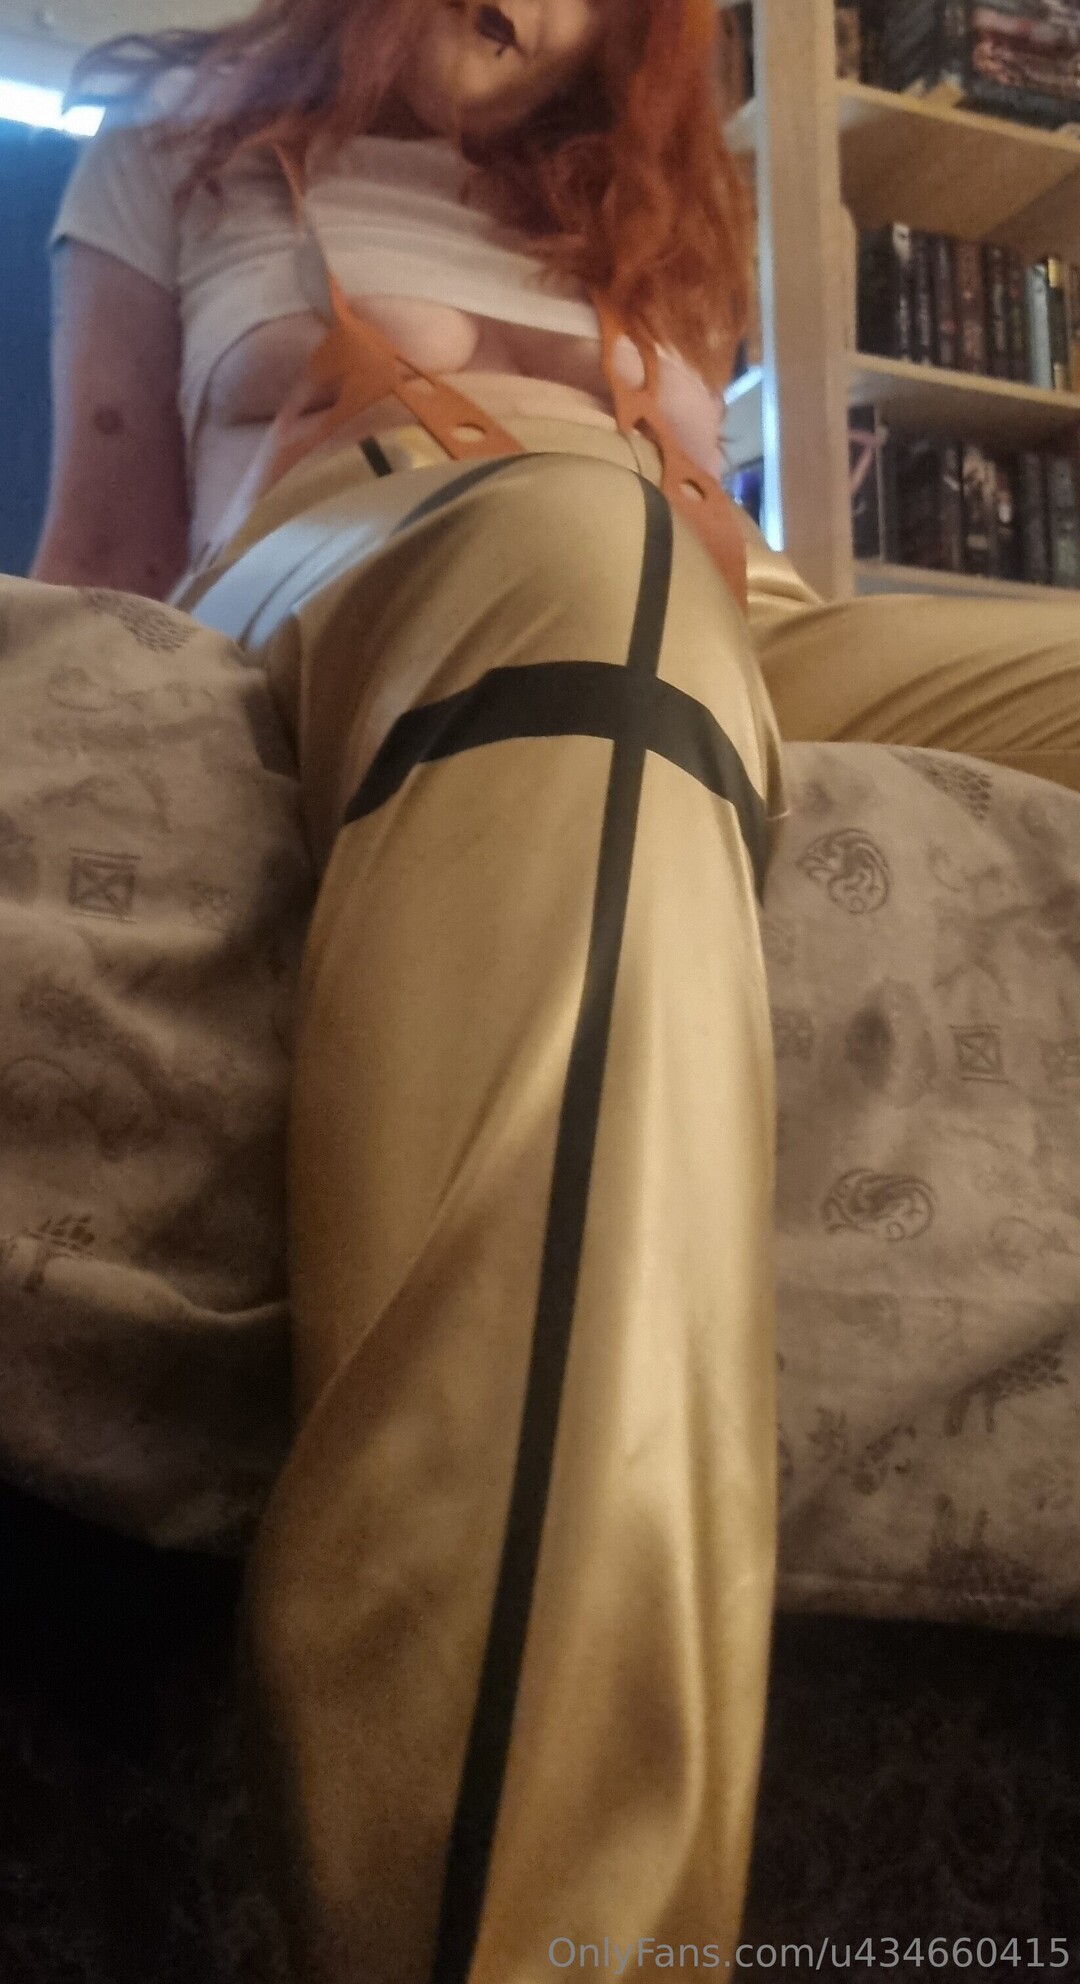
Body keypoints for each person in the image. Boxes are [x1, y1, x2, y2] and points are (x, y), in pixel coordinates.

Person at [22, 0, 1080, 1977]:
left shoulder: (666, 206)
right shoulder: (172, 152)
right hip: (362, 541)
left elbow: (726, 538)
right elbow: (101, 551)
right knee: (581, 551)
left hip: (755, 620)